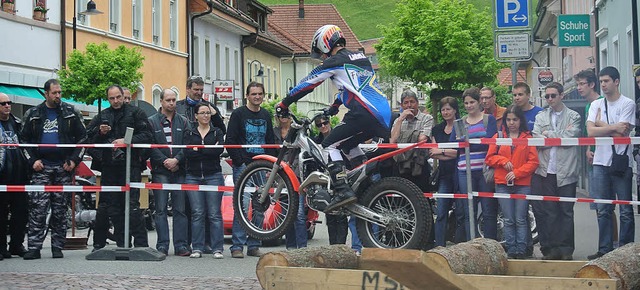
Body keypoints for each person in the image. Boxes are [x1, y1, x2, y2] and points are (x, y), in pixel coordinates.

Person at [276, 24, 391, 212]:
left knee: (328, 145)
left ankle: (342, 189)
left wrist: (284, 103)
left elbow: (308, 83)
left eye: (321, 52)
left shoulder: (334, 61)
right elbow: (354, 86)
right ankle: (365, 182)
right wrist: (335, 106)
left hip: (364, 112)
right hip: (382, 112)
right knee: (346, 145)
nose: (322, 57)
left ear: (325, 43)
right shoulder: (360, 57)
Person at [20, 79, 87, 260]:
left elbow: (83, 139)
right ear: (46, 94)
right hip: (41, 167)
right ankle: (34, 247)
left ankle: (57, 247)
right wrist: (32, 161)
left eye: (60, 93)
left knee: (59, 210)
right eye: (54, 93)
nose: (58, 96)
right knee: (37, 210)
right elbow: (23, 141)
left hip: (63, 167)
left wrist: (74, 160)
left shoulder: (71, 112)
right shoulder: (33, 113)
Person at [86, 85, 152, 251]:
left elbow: (148, 136)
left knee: (133, 207)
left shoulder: (136, 113)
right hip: (109, 168)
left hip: (131, 166)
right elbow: (88, 139)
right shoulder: (103, 115)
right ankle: (122, 243)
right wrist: (101, 134)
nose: (115, 101)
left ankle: (141, 245)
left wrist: (128, 142)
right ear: (108, 99)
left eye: (118, 97)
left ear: (124, 96)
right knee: (112, 208)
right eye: (112, 98)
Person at [586, 66, 635, 259]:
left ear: (616, 81)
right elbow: (590, 132)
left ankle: (626, 251)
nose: (604, 85)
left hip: (621, 161)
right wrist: (612, 128)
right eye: (602, 81)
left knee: (624, 208)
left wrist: (601, 125)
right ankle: (604, 250)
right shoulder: (597, 105)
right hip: (600, 162)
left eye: (607, 81)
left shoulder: (627, 103)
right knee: (603, 208)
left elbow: (623, 133)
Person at [531, 82, 581, 260]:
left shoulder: (573, 116)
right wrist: (555, 134)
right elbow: (535, 136)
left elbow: (571, 135)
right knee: (550, 211)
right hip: (545, 170)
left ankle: (566, 250)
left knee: (566, 211)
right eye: (547, 96)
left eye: (553, 95)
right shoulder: (541, 115)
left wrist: (548, 134)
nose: (550, 99)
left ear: (562, 96)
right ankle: (552, 249)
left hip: (566, 171)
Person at [225, 82, 274, 258]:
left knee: (260, 205)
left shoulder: (266, 115)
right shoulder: (238, 114)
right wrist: (240, 162)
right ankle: (237, 246)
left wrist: (271, 165)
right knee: (242, 205)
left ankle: (254, 244)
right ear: (247, 96)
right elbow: (230, 140)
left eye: (260, 94)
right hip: (244, 167)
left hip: (262, 166)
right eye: (254, 94)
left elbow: (270, 140)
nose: (257, 97)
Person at [485, 105, 539, 259]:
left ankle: (521, 250)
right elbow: (489, 158)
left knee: (521, 219)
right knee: (509, 219)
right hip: (502, 184)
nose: (511, 122)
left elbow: (533, 162)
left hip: (522, 184)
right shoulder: (498, 136)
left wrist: (516, 173)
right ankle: (511, 249)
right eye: (508, 119)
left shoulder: (528, 138)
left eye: (515, 119)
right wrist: (502, 160)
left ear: (520, 120)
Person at [450, 87, 498, 242]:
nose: (469, 105)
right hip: (464, 170)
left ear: (479, 102)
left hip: (484, 170)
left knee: (488, 209)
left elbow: (490, 141)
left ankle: (490, 244)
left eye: (472, 102)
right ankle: (472, 244)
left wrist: (468, 142)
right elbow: (453, 143)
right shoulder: (460, 122)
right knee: (468, 210)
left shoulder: (488, 119)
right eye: (466, 103)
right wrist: (470, 143)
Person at [147, 89, 190, 256]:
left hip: (179, 170)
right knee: (160, 210)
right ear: (162, 101)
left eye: (174, 100)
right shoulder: (152, 122)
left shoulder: (184, 122)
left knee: (180, 209)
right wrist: (165, 161)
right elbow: (150, 146)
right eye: (168, 100)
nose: (171, 103)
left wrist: (177, 160)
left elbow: (187, 144)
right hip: (160, 170)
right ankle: (162, 245)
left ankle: (181, 245)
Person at [183, 103, 226, 259]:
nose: (206, 115)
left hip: (213, 174)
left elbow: (219, 150)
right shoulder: (189, 132)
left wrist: (199, 149)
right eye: (202, 113)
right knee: (197, 213)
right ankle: (197, 248)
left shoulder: (217, 132)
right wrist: (208, 149)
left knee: (214, 213)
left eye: (208, 113)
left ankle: (217, 248)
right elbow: (188, 152)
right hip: (193, 176)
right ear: (196, 116)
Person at [431, 96, 464, 247]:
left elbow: (460, 152)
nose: (445, 112)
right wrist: (448, 152)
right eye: (443, 109)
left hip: (460, 174)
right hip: (444, 175)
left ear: (455, 110)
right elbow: (432, 152)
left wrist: (442, 150)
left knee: (461, 212)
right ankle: (439, 244)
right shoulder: (436, 129)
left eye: (448, 109)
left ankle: (459, 244)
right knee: (441, 211)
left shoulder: (461, 126)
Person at [311, 115, 348, 245]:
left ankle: (341, 246)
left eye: (325, 123)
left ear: (329, 122)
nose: (323, 126)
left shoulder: (338, 136)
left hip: (340, 176)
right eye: (319, 125)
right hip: (326, 179)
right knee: (330, 213)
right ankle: (333, 246)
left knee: (342, 213)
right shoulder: (316, 141)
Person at [0, 93, 29, 259]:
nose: (7, 106)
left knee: (21, 212)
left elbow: (25, 145)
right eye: (3, 103)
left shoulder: (17, 123)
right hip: (2, 177)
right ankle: (1, 247)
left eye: (9, 103)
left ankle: (16, 244)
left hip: (19, 176)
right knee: (1, 215)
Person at [274, 114, 308, 250]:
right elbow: (271, 152)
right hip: (280, 176)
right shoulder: (274, 131)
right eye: (280, 115)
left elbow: (304, 154)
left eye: (286, 114)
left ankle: (303, 248)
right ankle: (291, 247)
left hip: (297, 175)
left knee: (299, 214)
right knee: (287, 215)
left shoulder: (299, 132)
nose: (284, 117)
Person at [389, 89, 433, 192]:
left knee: (422, 198)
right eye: (406, 103)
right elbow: (393, 140)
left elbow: (422, 139)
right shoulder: (398, 120)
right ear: (402, 106)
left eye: (412, 102)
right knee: (400, 196)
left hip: (419, 164)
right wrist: (401, 119)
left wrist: (403, 138)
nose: (409, 105)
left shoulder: (427, 118)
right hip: (400, 163)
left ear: (417, 103)